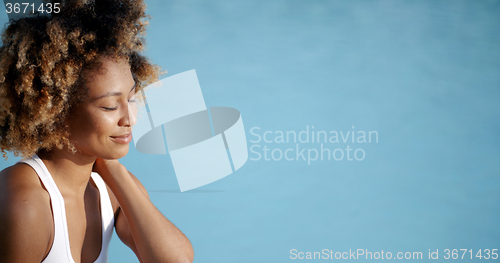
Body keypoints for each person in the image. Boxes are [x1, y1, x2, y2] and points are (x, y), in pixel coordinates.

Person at [0, 0, 194, 262]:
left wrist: (114, 171)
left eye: (132, 98)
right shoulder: (24, 201)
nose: (130, 119)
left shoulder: (109, 186)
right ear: (56, 111)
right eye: (110, 106)